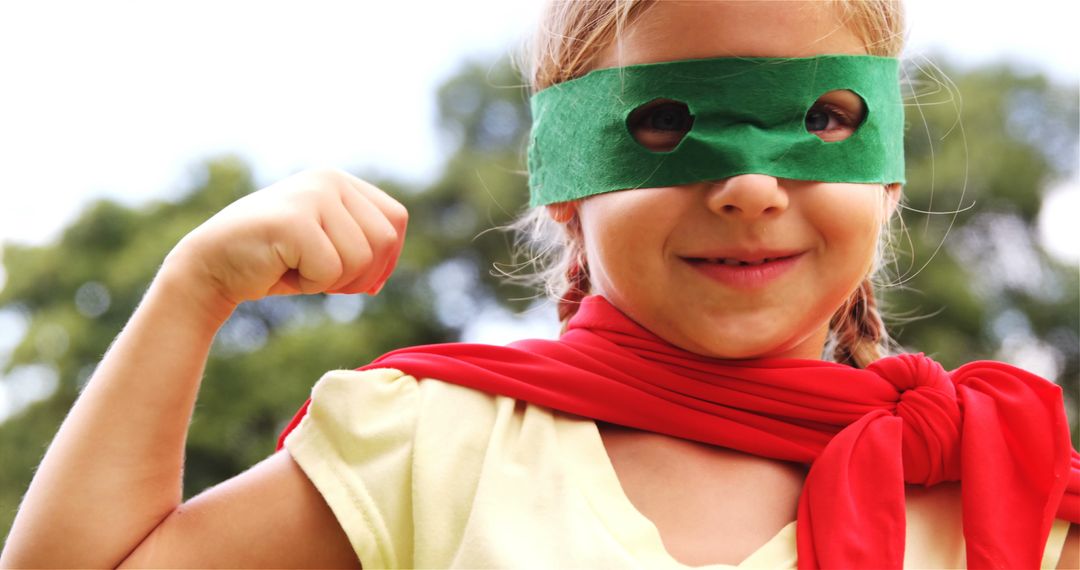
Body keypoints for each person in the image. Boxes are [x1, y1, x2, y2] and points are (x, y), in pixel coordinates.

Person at [2, 0, 1078, 568]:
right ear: (564, 184)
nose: (751, 182)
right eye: (663, 123)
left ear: (888, 177)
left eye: (822, 121)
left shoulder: (1008, 494)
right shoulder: (433, 449)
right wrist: (190, 289)